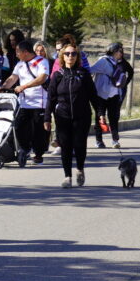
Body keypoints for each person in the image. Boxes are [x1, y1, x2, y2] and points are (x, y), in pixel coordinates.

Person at [46, 42, 100, 188]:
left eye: (74, 54)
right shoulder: (57, 75)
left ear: (77, 57)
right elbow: (51, 98)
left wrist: (100, 114)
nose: (71, 56)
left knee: (80, 145)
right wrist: (47, 118)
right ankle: (67, 177)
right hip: (62, 116)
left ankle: (80, 169)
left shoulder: (84, 74)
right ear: (62, 56)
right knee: (66, 147)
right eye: (67, 54)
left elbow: (93, 96)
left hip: (82, 115)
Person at [3, 40, 50, 165]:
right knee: (18, 127)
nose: (16, 54)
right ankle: (25, 148)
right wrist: (2, 87)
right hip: (24, 103)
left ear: (25, 52)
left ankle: (38, 154)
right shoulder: (20, 64)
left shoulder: (42, 61)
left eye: (18, 52)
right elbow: (13, 78)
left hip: (39, 103)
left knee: (38, 130)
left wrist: (23, 87)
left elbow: (42, 78)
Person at [89, 43, 130, 148]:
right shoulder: (103, 61)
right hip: (101, 94)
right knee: (100, 117)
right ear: (114, 51)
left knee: (114, 117)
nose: (121, 53)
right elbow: (91, 70)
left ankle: (115, 140)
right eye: (120, 51)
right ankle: (99, 141)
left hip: (114, 94)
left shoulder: (116, 62)